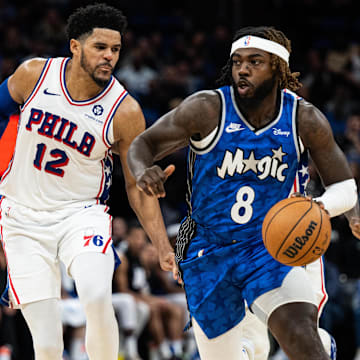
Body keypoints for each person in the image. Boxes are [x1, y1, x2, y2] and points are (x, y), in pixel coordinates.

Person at [127, 26, 360, 360]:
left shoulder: (303, 118)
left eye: (255, 61)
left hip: (271, 246)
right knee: (240, 352)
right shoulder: (207, 108)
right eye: (237, 62)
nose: (243, 69)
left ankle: (316, 345)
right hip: (210, 249)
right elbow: (143, 144)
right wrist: (142, 170)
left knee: (300, 336)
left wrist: (320, 207)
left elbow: (344, 186)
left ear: (278, 69)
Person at [0, 3, 176, 360]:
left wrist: (161, 246)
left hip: (81, 214)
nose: (109, 57)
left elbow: (134, 186)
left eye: (115, 49)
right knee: (47, 345)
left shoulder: (124, 111)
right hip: (21, 217)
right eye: (100, 47)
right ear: (75, 46)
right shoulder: (33, 76)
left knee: (97, 297)